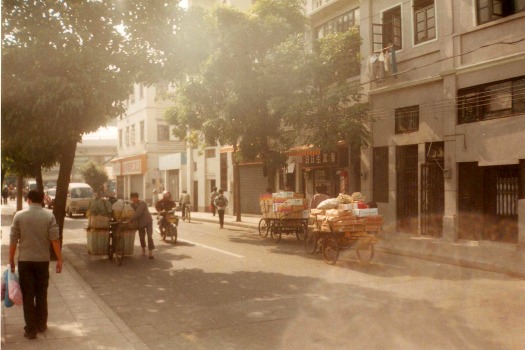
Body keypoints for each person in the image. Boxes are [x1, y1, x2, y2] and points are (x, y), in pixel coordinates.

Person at [9, 190, 63, 340]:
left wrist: (10, 260)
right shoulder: (48, 216)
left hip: (25, 261)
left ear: (28, 200)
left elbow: (13, 240)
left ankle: (30, 330)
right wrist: (59, 259)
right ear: (41, 200)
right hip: (42, 262)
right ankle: (41, 324)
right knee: (41, 293)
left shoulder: (19, 216)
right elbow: (55, 239)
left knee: (28, 295)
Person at [129, 192, 155, 259]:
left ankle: (150, 252)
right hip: (140, 223)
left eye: (133, 198)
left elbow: (138, 213)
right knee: (141, 237)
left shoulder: (142, 203)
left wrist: (130, 219)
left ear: (136, 197)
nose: (132, 199)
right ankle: (143, 250)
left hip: (148, 221)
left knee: (149, 236)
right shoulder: (132, 204)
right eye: (131, 198)